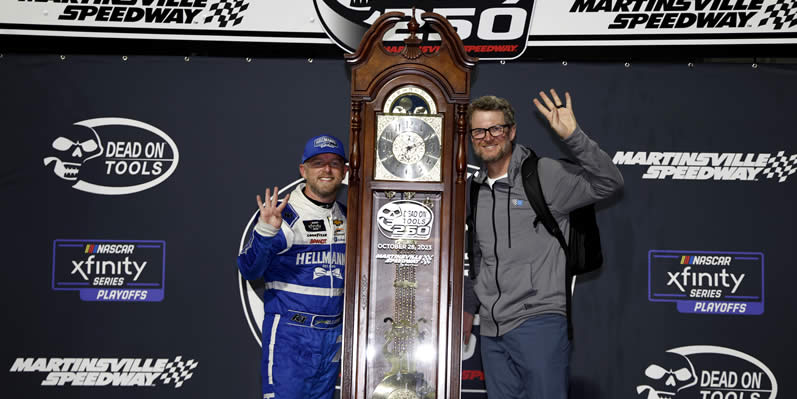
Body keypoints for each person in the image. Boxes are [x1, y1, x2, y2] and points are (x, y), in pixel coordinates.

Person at [462, 91, 624, 398]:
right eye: (479, 131)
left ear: (511, 131)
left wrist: (574, 137)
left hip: (539, 321)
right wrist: (472, 307)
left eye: (496, 128)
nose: (487, 137)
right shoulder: (475, 188)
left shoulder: (544, 175)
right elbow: (480, 257)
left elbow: (609, 182)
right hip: (493, 330)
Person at [237, 134, 349, 399]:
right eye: (318, 163)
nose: (327, 169)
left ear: (344, 171)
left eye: (334, 163)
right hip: (292, 335)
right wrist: (265, 232)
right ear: (303, 170)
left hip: (332, 335)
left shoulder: (347, 215)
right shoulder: (284, 214)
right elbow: (250, 270)